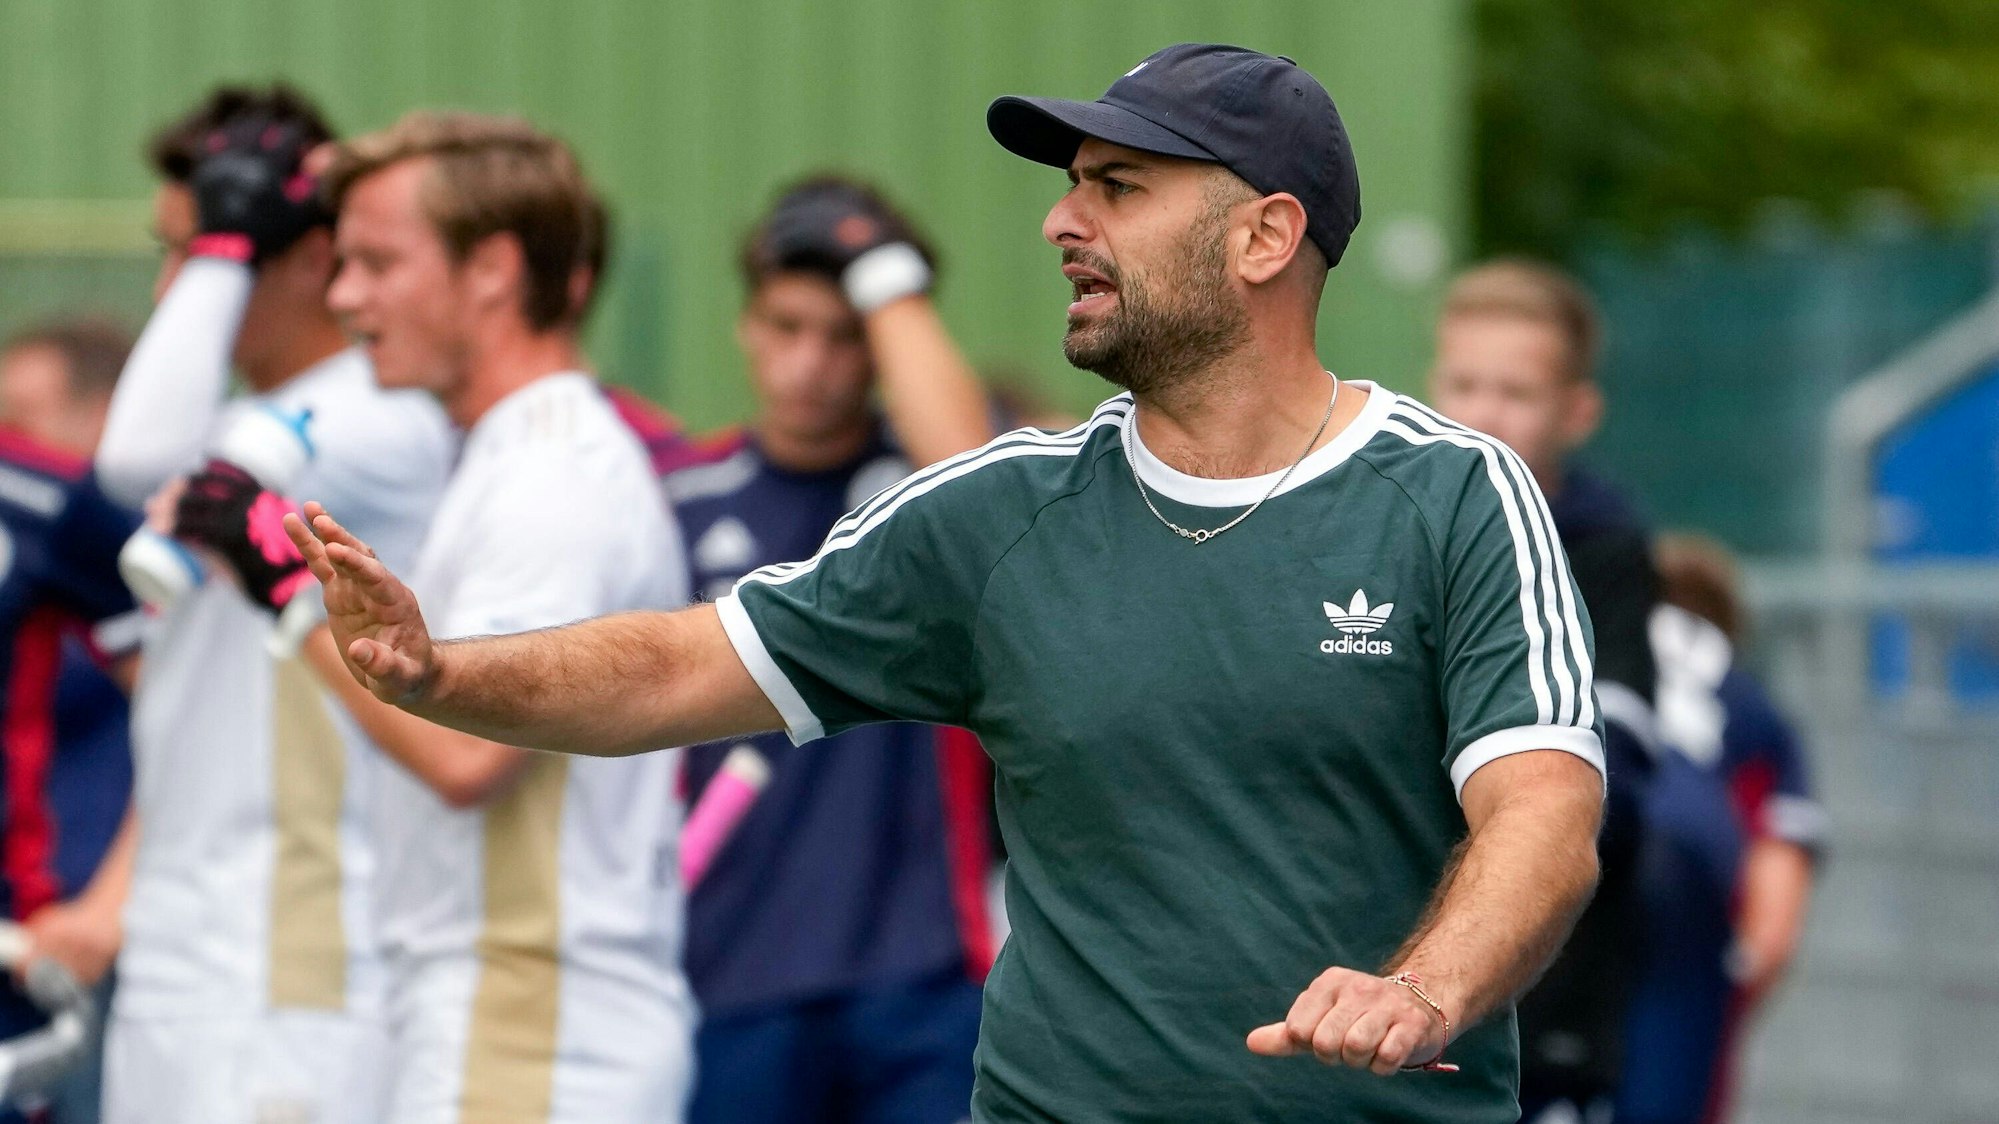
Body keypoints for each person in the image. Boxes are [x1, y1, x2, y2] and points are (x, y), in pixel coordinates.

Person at [290, 44, 1608, 1123]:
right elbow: (678, 664)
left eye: (1117, 186)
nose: (1060, 221)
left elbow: (1540, 816)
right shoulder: (994, 511)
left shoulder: (1452, 495)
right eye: (1069, 185)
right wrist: (444, 671)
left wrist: (1421, 993)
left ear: (1264, 236)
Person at [307, 111, 695, 1122]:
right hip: (517, 1008)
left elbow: (470, 758)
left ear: (491, 269)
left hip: (532, 1016)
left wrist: (290, 614)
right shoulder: (513, 453)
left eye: (376, 262)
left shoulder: (548, 475)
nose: (344, 297)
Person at [92, 86, 456, 1124]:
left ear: (308, 257)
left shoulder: (383, 419)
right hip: (180, 967)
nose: (176, 286)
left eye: (206, 253)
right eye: (173, 252)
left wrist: (225, 243)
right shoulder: (238, 415)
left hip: (299, 972)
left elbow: (133, 462)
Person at [667, 176, 997, 1122]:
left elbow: (973, 477)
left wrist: (884, 279)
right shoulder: (681, 497)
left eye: (844, 334)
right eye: (785, 326)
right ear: (745, 327)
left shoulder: (925, 490)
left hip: (922, 971)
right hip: (728, 971)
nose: (809, 363)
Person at [1428, 258, 1668, 1121]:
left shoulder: (1602, 547)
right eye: (1462, 382)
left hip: (1548, 1003)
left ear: (1576, 412)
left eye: (1514, 392)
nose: (1482, 411)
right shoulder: (1393, 522)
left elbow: (1612, 779)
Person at [1616, 533, 1824, 1124]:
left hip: (1581, 838)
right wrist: (1727, 985)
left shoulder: (1580, 644)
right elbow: (1774, 910)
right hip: (1684, 864)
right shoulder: (1747, 699)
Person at [0, 320, 144, 1124]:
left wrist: (108, 907)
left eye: (24, 413)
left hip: (40, 947)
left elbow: (194, 706)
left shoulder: (49, 512)